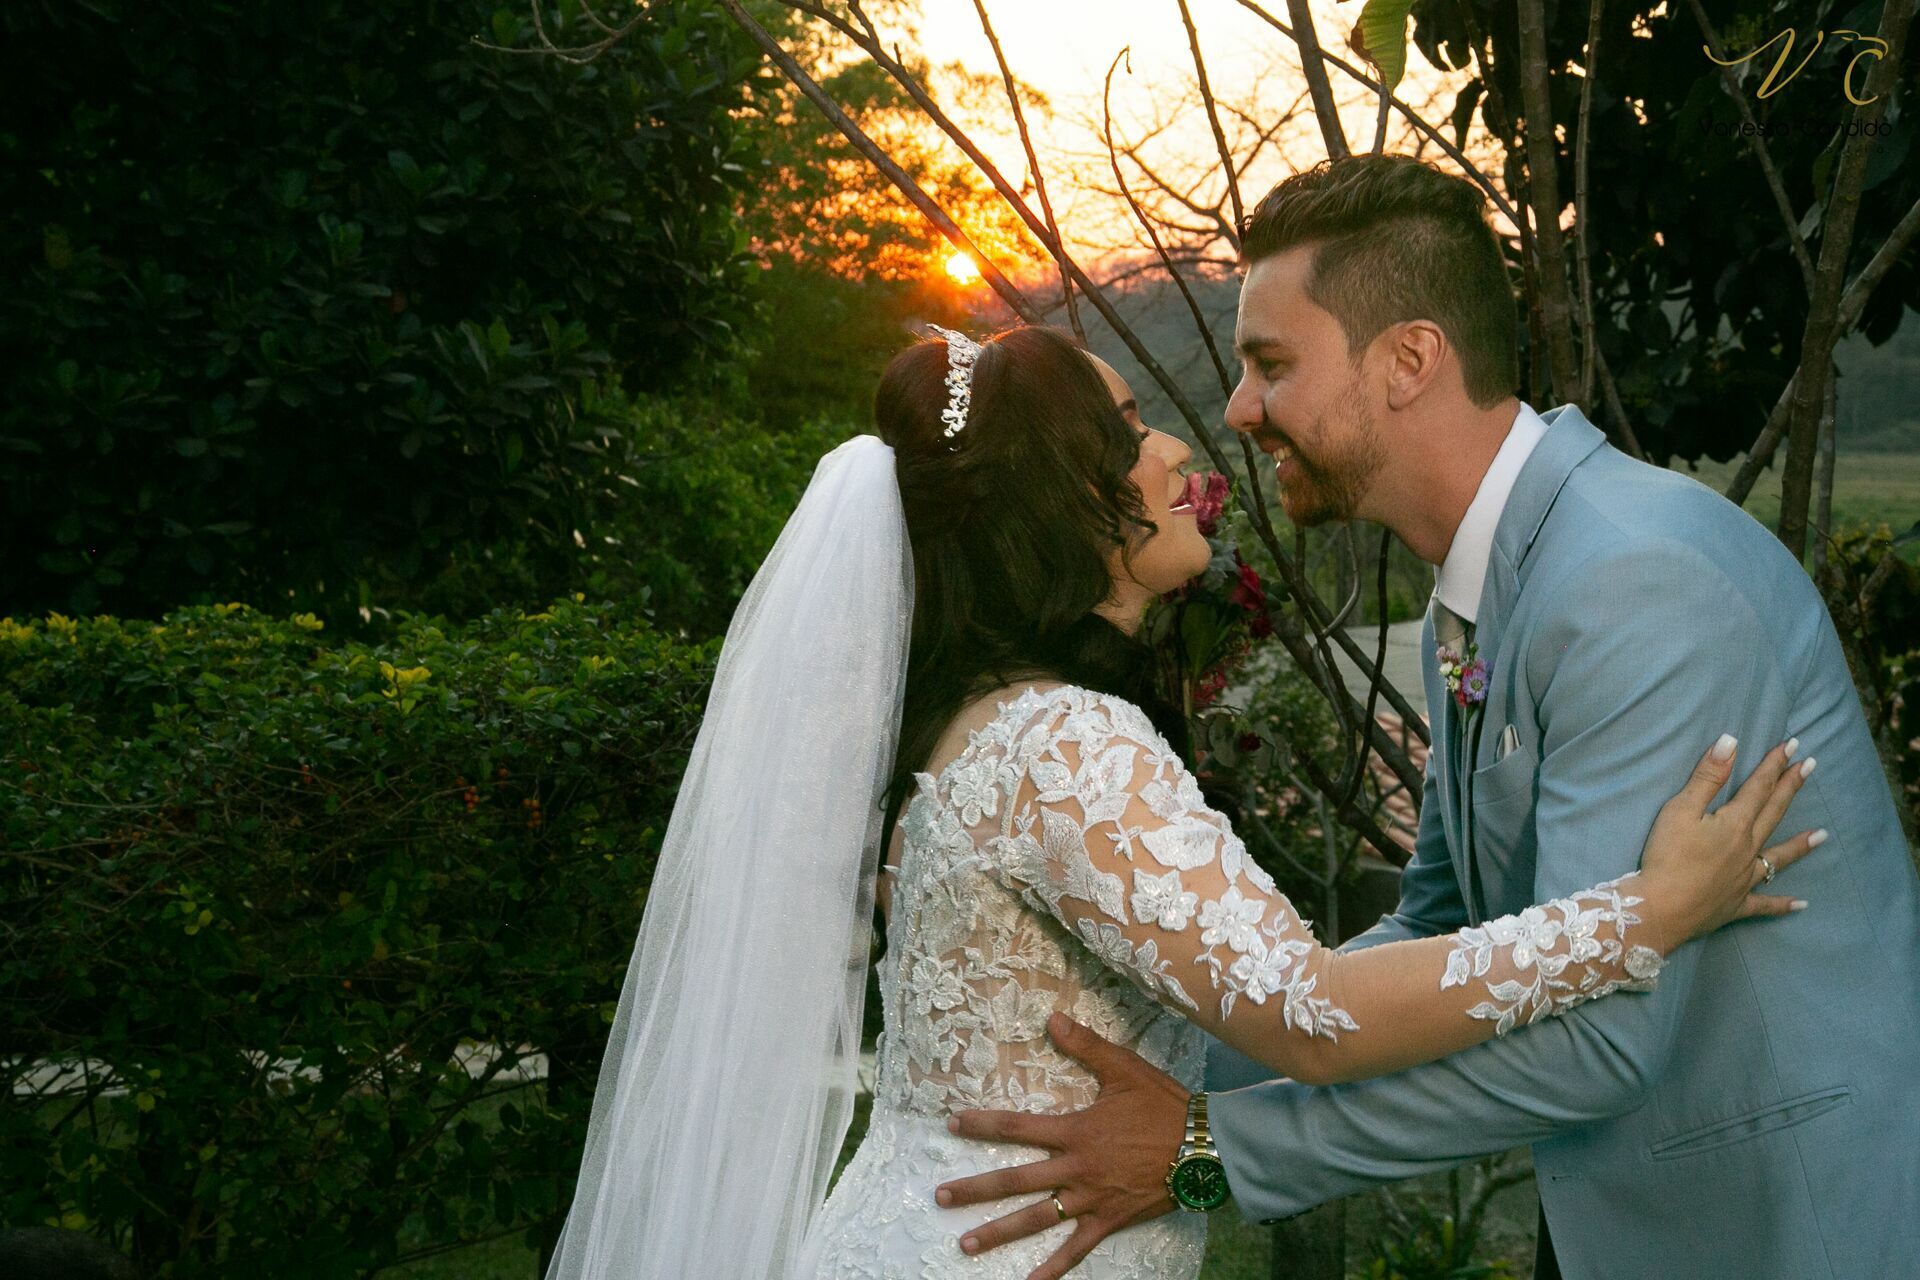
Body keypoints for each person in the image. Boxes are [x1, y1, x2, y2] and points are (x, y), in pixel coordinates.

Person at [541, 312, 1822, 1280]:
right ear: (1064, 494)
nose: (1173, 448)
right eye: (1124, 427)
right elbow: (1311, 1014)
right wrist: (1642, 916)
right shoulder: (1066, 743)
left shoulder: (985, 723)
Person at [935, 156, 1920, 1280]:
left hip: (1774, 1227)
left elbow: (1601, 1040)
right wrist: (1114, 1068)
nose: (1238, 408)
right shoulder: (1482, 589)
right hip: (1623, 1222)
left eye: (1270, 364)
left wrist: (1201, 1151)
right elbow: (1440, 924)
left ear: (1409, 360)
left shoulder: (1635, 583)